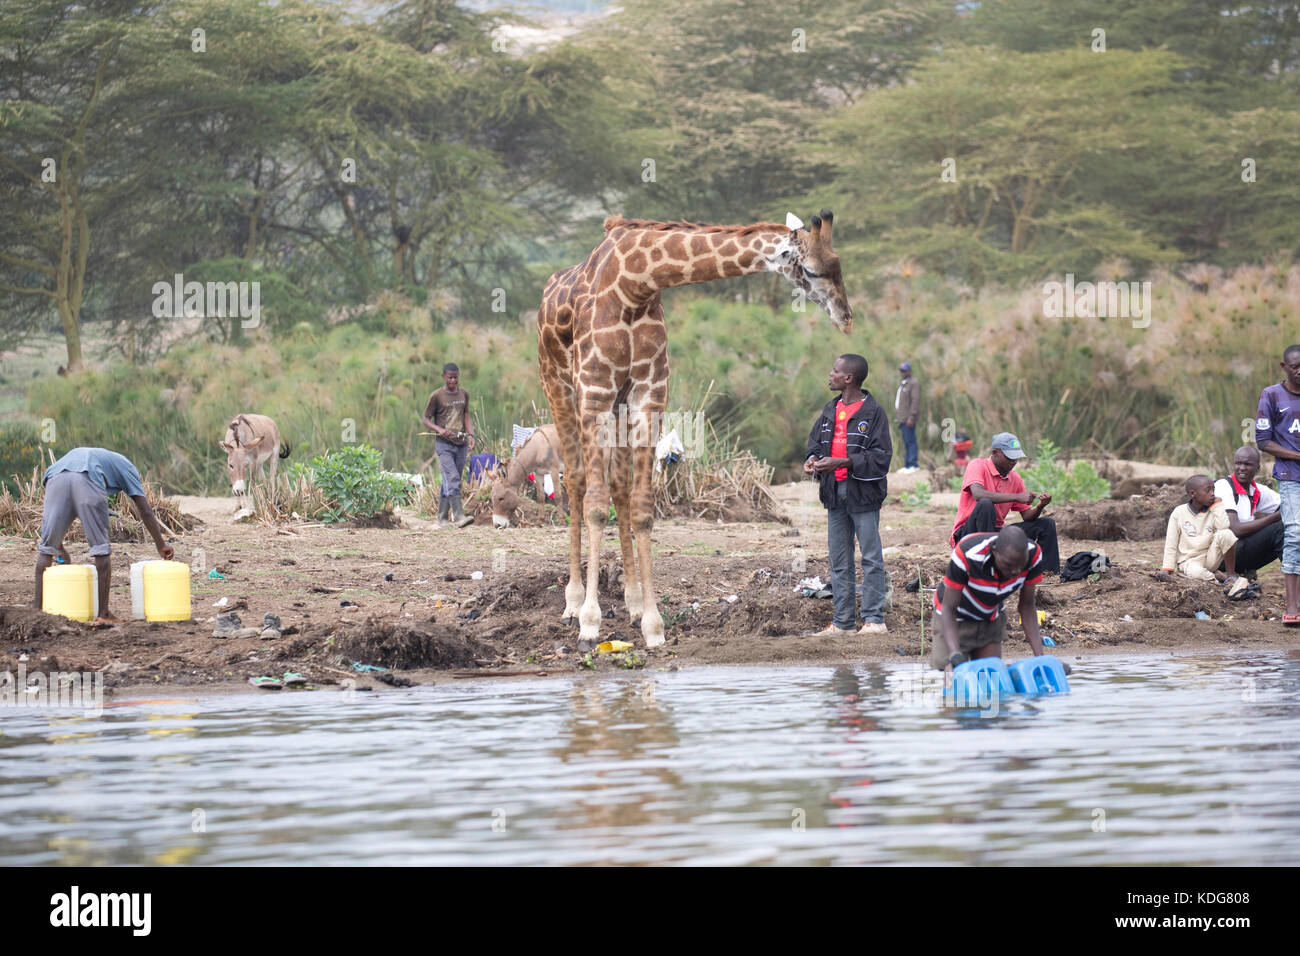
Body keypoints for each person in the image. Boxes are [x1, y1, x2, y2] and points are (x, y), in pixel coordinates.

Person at [803, 353, 893, 637]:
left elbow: (881, 457)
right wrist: (813, 459)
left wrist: (842, 462)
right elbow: (815, 442)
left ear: (849, 378)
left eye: (835, 371)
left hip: (863, 494)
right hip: (833, 493)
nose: (830, 374)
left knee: (871, 557)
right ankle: (841, 623)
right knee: (839, 560)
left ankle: (874, 621)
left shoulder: (874, 413)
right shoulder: (830, 410)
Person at [33, 447, 174, 623]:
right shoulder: (127, 467)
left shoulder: (91, 457)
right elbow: (145, 510)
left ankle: (35, 612)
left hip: (55, 478)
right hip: (88, 478)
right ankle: (104, 613)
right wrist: (161, 544)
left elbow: (59, 511)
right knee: (101, 548)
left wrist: (57, 544)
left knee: (47, 549)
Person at [930, 525, 1048, 678]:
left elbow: (1026, 606)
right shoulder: (968, 553)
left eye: (1021, 565)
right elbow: (949, 608)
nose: (1015, 572)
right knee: (956, 679)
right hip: (955, 617)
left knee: (990, 678)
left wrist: (1041, 659)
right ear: (995, 553)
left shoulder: (1033, 555)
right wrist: (955, 654)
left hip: (989, 615)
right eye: (1008, 565)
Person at [949, 432, 1060, 574]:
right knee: (985, 504)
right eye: (1009, 457)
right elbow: (978, 494)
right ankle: (985, 564)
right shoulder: (977, 465)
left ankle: (1049, 572)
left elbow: (1027, 516)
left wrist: (1040, 505)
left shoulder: (1015, 478)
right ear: (995, 453)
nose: (1013, 462)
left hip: (995, 534)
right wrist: (1016, 497)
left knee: (1046, 524)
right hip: (968, 534)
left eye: (1016, 458)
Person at [1256, 344, 1300, 624]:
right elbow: (1263, 441)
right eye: (1295, 366)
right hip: (1290, 476)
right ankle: (1292, 607)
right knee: (1295, 532)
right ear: (1284, 367)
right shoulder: (1271, 395)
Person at [1159, 475, 1247, 595]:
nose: (1212, 494)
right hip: (1189, 561)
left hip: (1209, 558)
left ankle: (1230, 575)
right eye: (1208, 490)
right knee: (1198, 573)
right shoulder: (1179, 512)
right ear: (1193, 494)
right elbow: (1171, 542)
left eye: (1213, 490)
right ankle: (1218, 578)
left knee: (1227, 534)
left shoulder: (1213, 510)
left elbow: (1223, 526)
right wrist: (1167, 569)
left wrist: (1218, 505)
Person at [1213, 446, 1282, 577]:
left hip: (1240, 550)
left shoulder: (1256, 490)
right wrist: (1275, 517)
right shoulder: (1224, 487)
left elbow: (1288, 505)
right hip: (1220, 556)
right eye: (1238, 463)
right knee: (1281, 529)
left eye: (1248, 464)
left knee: (1291, 529)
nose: (1242, 468)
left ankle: (1293, 577)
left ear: (1258, 468)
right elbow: (1236, 529)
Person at [423, 363, 476, 528]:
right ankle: (459, 516)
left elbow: (466, 415)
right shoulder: (436, 396)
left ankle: (442, 518)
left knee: (451, 480)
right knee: (452, 478)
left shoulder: (464, 394)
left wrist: (471, 434)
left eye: (456, 377)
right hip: (444, 445)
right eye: (450, 377)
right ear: (444, 377)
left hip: (461, 444)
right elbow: (426, 418)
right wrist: (439, 429)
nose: (453, 380)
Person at [895, 362, 920, 473]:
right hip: (902, 417)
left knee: (910, 441)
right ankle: (907, 464)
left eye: (904, 370)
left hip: (908, 418)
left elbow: (915, 400)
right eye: (901, 370)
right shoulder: (904, 383)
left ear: (909, 371)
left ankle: (913, 464)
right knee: (906, 441)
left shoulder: (914, 383)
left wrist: (912, 417)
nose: (903, 372)